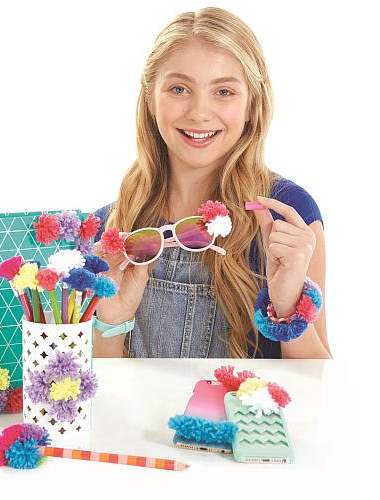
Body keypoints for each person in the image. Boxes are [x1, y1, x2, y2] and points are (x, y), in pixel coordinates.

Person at [91, 7, 330, 359]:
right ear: (150, 99)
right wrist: (111, 323)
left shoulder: (288, 217)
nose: (200, 112)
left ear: (252, 105)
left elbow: (320, 382)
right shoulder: (110, 227)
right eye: (179, 89)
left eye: (224, 92)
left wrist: (288, 306)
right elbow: (100, 387)